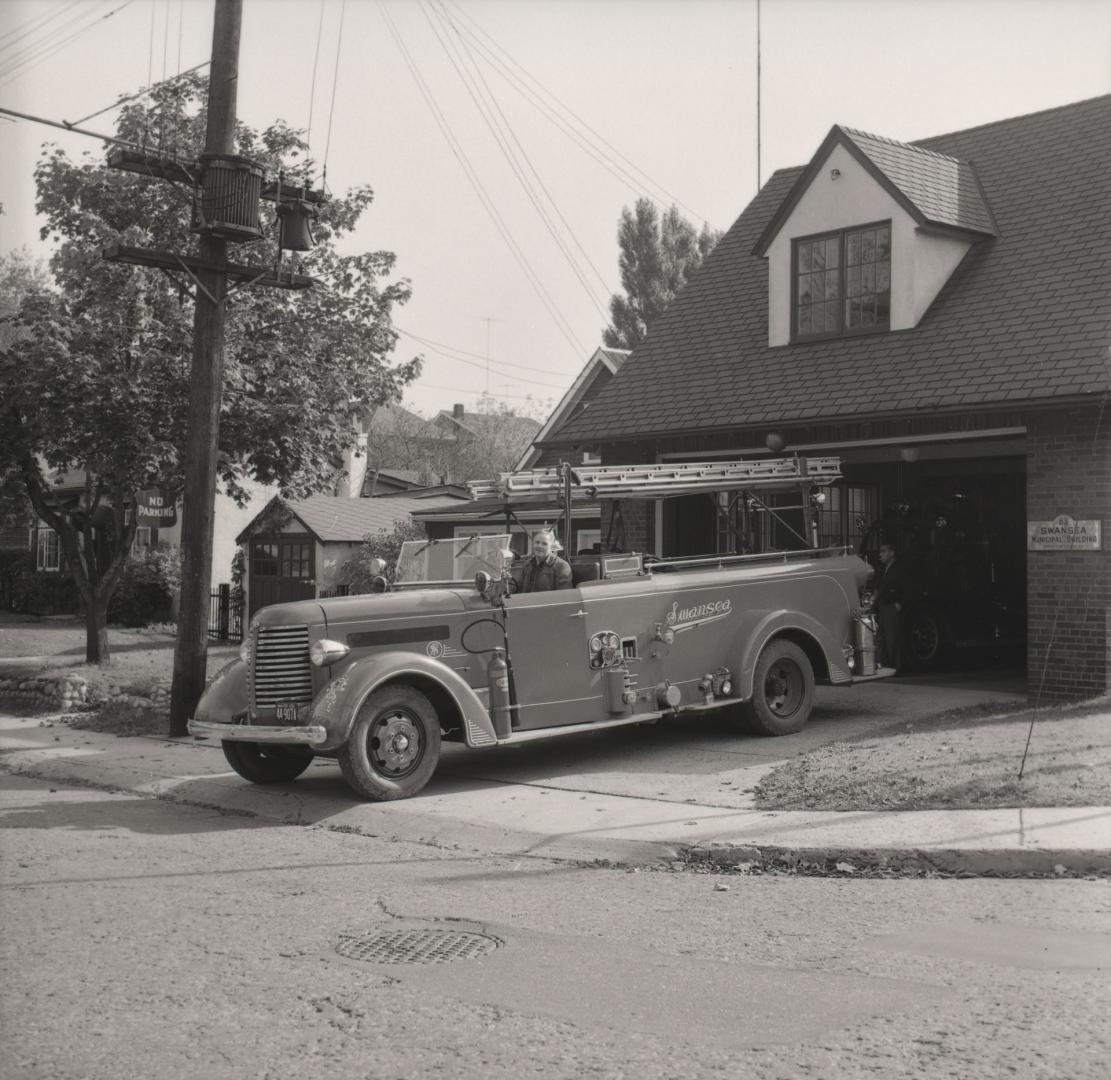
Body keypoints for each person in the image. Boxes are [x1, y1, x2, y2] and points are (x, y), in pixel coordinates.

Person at [875, 541, 907, 672]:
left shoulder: (899, 569)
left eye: (883, 551)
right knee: (882, 637)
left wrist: (900, 603)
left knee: (892, 638)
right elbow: (879, 587)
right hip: (883, 605)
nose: (880, 555)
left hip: (892, 605)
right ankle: (885, 665)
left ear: (892, 553)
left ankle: (896, 667)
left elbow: (905, 587)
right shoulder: (883, 570)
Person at [516, 528, 573, 593]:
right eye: (537, 542)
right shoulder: (527, 565)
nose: (539, 546)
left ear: (551, 547)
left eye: (544, 544)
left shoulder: (561, 566)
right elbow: (519, 591)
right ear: (533, 544)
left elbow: (565, 595)